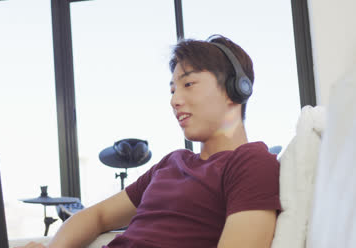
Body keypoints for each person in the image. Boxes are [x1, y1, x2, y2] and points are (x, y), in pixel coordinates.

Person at [19, 35, 281, 248]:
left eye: (188, 84)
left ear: (236, 89)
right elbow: (96, 216)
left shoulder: (251, 163)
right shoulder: (173, 162)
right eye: (172, 89)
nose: (174, 100)